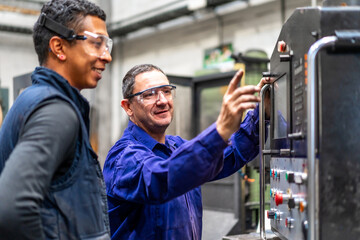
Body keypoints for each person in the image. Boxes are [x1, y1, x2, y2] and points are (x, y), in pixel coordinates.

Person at [103, 64, 272, 240]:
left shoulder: (176, 147)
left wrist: (262, 112)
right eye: (149, 94)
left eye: (166, 91)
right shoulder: (123, 157)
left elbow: (230, 155)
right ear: (128, 107)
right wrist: (220, 130)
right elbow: (162, 178)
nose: (162, 100)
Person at [0, 0, 112, 239]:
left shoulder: (31, 99)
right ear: (59, 47)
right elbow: (12, 207)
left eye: (107, 44)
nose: (107, 56)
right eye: (96, 43)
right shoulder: (56, 111)